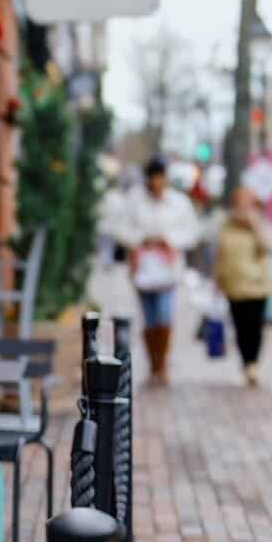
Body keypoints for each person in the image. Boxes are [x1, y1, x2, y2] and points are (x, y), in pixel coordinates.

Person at [118, 158, 202, 385]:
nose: (156, 182)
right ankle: (153, 363)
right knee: (149, 318)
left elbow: (192, 232)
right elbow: (122, 229)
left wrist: (169, 240)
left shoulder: (179, 203)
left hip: (168, 269)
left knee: (164, 316)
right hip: (143, 269)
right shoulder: (135, 203)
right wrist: (142, 240)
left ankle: (162, 363)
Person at [214, 186, 272, 388]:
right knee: (240, 327)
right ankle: (245, 364)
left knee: (255, 326)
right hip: (234, 285)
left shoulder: (261, 223)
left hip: (257, 285)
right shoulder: (226, 225)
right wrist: (218, 280)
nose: (243, 207)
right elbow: (220, 254)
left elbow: (270, 247)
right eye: (240, 202)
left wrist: (255, 226)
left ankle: (253, 364)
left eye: (247, 202)